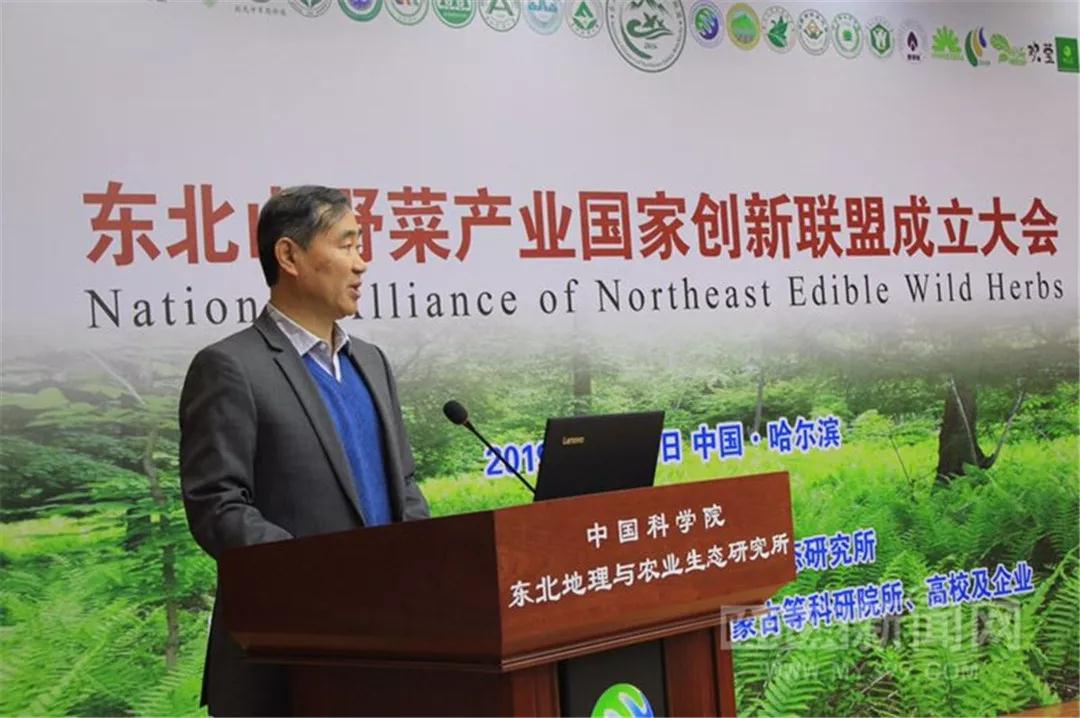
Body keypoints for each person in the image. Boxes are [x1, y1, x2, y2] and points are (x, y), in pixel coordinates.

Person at [179, 185, 429, 716]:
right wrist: (319, 578)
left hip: (390, 650)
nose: (362, 263)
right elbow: (217, 506)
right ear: (289, 256)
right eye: (346, 244)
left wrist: (424, 571)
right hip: (285, 660)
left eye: (361, 245)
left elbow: (403, 485)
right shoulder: (231, 367)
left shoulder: (371, 361)